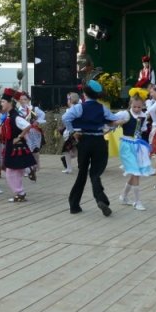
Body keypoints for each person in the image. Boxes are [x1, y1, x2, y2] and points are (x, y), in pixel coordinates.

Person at [61, 79, 121, 216]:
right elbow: (113, 120)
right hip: (99, 141)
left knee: (82, 173)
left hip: (84, 140)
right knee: (95, 173)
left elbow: (65, 118)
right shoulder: (102, 108)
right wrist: (112, 126)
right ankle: (101, 199)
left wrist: (73, 131)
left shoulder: (79, 107)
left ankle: (74, 205)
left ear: (84, 94)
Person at [115, 89, 154, 211]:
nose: (137, 109)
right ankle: (137, 201)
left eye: (139, 107)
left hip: (138, 145)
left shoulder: (143, 116)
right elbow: (112, 119)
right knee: (135, 172)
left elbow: (143, 130)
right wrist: (117, 123)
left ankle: (123, 196)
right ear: (130, 104)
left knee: (135, 172)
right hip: (127, 145)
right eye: (134, 106)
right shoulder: (125, 114)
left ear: (143, 106)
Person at [0, 88, 37, 203]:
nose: (1, 104)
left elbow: (27, 126)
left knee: (11, 172)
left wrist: (19, 137)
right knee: (16, 170)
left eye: (3, 102)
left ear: (10, 103)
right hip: (12, 146)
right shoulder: (9, 116)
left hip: (16, 146)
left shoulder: (15, 116)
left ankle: (20, 193)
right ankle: (27, 172)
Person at [17, 91, 45, 181]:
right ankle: (27, 169)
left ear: (28, 100)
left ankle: (35, 165)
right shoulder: (18, 110)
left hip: (34, 132)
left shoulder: (33, 109)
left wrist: (38, 121)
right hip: (24, 132)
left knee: (35, 150)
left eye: (25, 99)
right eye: (21, 99)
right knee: (26, 150)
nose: (23, 101)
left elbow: (42, 114)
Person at [59, 92, 81, 173]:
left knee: (67, 151)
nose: (67, 101)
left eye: (68, 99)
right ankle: (77, 166)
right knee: (76, 150)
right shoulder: (80, 107)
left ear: (70, 100)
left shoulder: (71, 109)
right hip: (80, 131)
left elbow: (65, 119)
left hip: (73, 132)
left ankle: (69, 168)